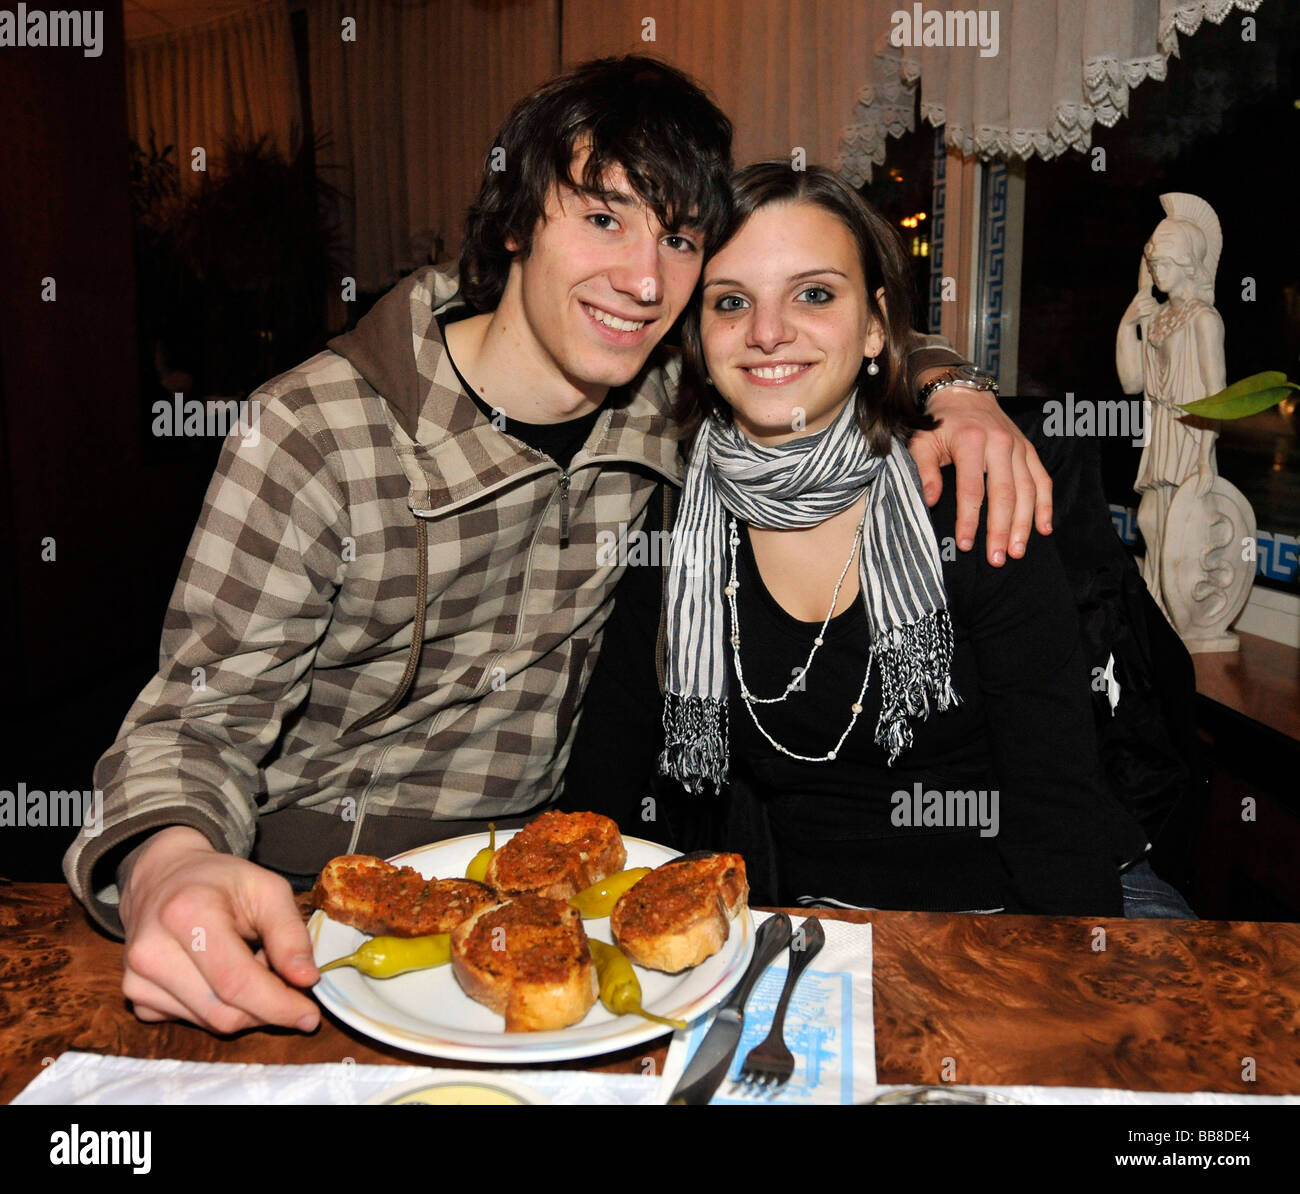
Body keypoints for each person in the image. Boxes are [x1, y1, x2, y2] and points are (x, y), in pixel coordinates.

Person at [63, 57, 1055, 1036]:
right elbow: (195, 722)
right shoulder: (311, 431)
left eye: (677, 237)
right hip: (317, 899)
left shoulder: (669, 399)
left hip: (554, 890)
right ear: (514, 221)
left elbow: (811, 334)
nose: (640, 277)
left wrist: (956, 391)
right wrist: (169, 864)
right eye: (602, 216)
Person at [638, 161, 1191, 916]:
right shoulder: (680, 531)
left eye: (814, 294)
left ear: (873, 325)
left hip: (1029, 911)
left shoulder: (967, 500)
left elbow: (1055, 809)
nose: (767, 332)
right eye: (731, 302)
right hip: (817, 925)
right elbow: (629, 792)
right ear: (699, 337)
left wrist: (1060, 992)